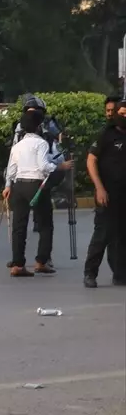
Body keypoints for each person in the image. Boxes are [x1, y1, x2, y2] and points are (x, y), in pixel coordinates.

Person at [3, 110, 73, 277]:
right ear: (39, 126)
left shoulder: (17, 146)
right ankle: (41, 261)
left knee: (19, 226)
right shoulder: (41, 143)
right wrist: (59, 167)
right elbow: (43, 166)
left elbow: (11, 169)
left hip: (19, 185)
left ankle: (17, 265)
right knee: (45, 224)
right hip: (37, 185)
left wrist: (7, 186)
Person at [85, 97, 125, 287]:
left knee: (121, 237)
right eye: (122, 113)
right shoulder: (105, 135)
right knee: (102, 235)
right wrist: (99, 188)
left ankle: (120, 274)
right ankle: (90, 274)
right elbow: (91, 161)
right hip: (107, 194)